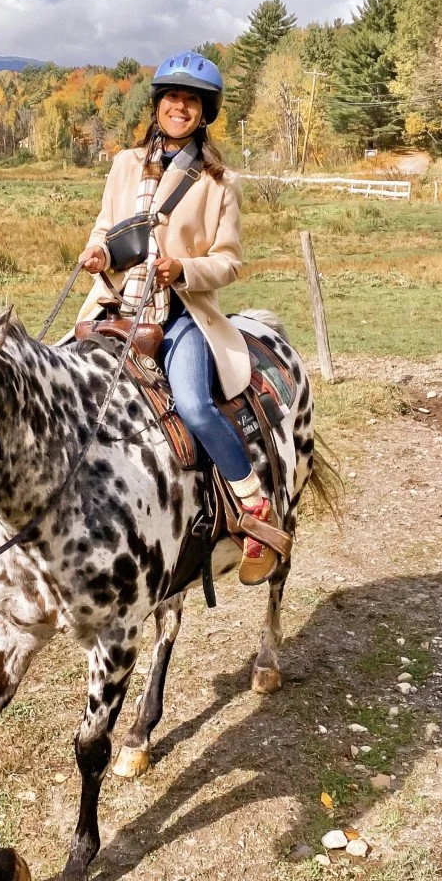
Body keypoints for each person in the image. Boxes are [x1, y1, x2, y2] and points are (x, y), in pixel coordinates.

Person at [76, 51, 280, 586]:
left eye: (191, 101)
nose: (179, 107)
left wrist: (182, 268)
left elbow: (229, 259)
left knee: (192, 403)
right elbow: (105, 227)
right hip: (116, 305)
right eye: (172, 98)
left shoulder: (219, 181)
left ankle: (254, 507)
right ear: (158, 105)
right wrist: (98, 252)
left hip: (180, 314)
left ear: (203, 112)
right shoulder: (124, 165)